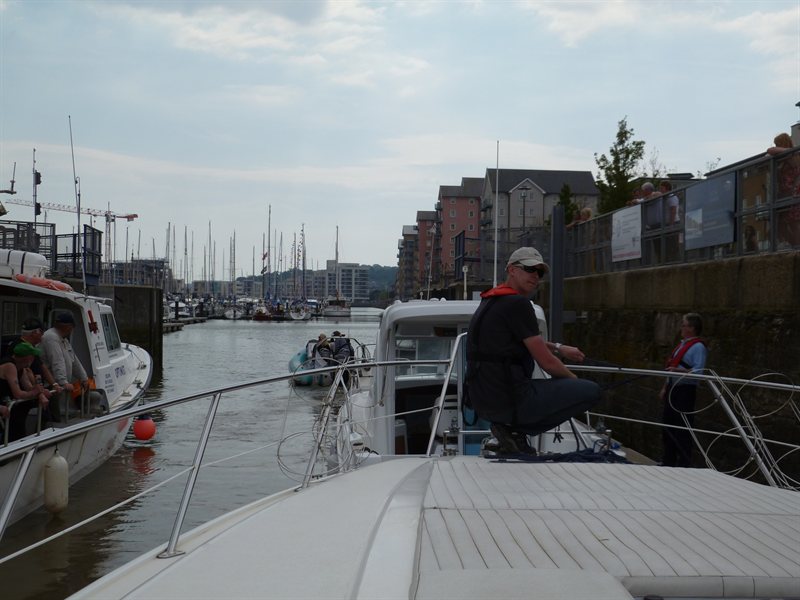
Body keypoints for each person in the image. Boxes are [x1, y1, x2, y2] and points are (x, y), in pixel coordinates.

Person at [466, 247, 602, 454]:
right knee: (591, 391)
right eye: (529, 269)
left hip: (483, 400)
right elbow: (546, 363)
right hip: (511, 399)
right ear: (511, 269)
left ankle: (509, 431)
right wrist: (573, 381)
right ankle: (514, 431)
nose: (535, 276)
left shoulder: (490, 301)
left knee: (561, 387)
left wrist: (558, 347)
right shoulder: (518, 304)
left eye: (539, 273)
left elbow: (519, 340)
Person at [659, 313, 707, 468]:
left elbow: (698, 371)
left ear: (692, 328)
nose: (681, 327)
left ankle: (683, 463)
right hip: (673, 388)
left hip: (685, 390)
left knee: (682, 427)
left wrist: (677, 371)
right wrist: (665, 387)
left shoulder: (698, 347)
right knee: (668, 424)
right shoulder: (681, 345)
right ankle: (668, 461)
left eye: (684, 325)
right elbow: (672, 366)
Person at [6, 317, 63, 420]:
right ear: (34, 332)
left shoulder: (30, 349)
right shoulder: (16, 356)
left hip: (27, 392)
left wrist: (53, 385)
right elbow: (27, 374)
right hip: (14, 397)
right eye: (42, 332)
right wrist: (39, 393)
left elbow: (40, 367)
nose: (43, 336)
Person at [41, 312, 91, 419]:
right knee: (50, 414)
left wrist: (83, 378)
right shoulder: (51, 337)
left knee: (53, 412)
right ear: (68, 326)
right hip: (50, 385)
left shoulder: (62, 339)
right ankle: (49, 431)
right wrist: (63, 382)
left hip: (58, 385)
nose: (72, 329)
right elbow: (57, 361)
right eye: (72, 327)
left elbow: (74, 360)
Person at [0, 342, 51, 442]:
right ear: (27, 358)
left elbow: (28, 387)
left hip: (8, 404)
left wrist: (40, 392)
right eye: (32, 356)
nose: (34, 359)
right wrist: (35, 392)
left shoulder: (22, 369)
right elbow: (18, 394)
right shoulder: (10, 366)